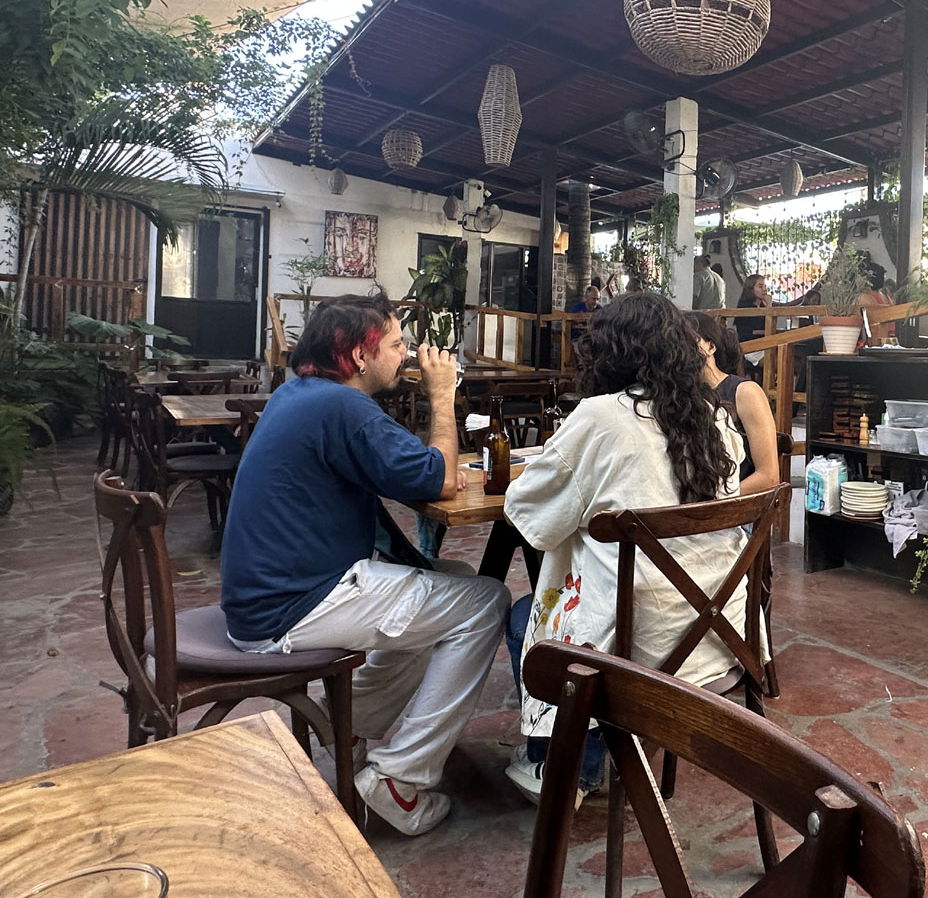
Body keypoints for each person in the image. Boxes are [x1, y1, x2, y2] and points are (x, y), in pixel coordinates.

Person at [219, 291, 509, 837]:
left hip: (266, 598)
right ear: (359, 355)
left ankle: (344, 723)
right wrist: (442, 395)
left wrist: (431, 463)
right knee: (487, 601)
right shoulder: (343, 407)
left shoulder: (297, 394)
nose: (407, 355)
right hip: (292, 606)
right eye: (397, 344)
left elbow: (413, 469)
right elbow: (440, 478)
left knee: (455, 582)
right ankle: (401, 778)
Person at [501, 293, 748, 805]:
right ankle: (597, 756)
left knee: (527, 616)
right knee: (594, 592)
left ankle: (563, 768)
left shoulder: (601, 416)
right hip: (722, 633)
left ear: (610, 353)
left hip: (646, 645)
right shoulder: (715, 415)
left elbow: (528, 513)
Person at [685, 311, 779, 495]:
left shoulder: (745, 392)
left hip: (736, 502)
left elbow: (769, 476)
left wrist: (716, 501)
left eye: (689, 340)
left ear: (711, 347)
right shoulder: (679, 394)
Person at [856, 254, 896, 347]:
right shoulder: (886, 296)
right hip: (890, 337)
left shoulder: (864, 297)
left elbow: (853, 317)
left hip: (874, 340)